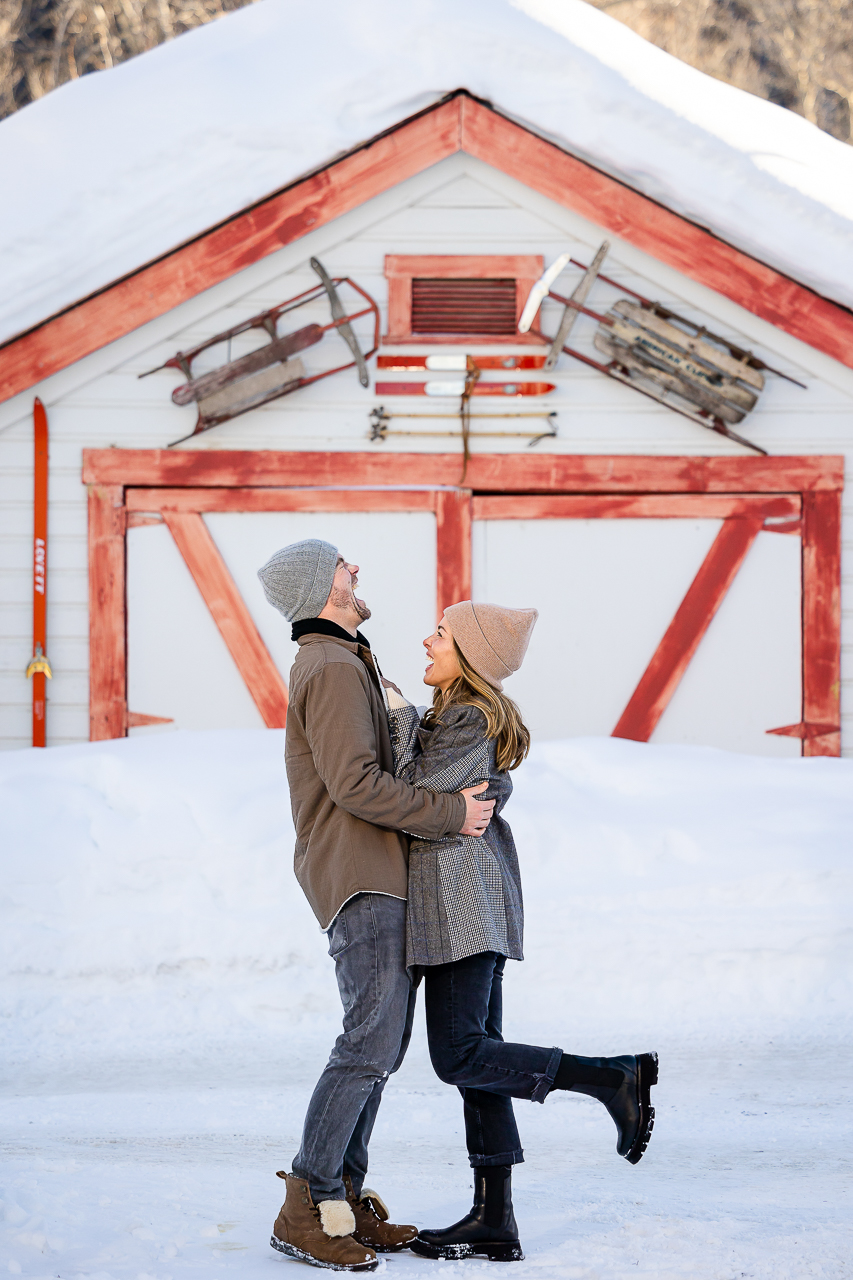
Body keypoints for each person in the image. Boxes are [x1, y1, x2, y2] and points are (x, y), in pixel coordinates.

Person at [384, 601, 658, 1263]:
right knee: (482, 1063)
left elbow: (410, 799)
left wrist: (395, 717)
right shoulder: (457, 718)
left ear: (470, 655)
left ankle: (610, 1078)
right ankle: (493, 1218)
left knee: (459, 1055)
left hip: (461, 905)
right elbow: (440, 797)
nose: (426, 638)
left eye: (441, 634)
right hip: (460, 901)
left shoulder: (467, 717)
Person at [256, 541, 496, 1273]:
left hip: (380, 872)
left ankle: (342, 1202)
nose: (353, 568)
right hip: (360, 876)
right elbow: (357, 786)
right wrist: (449, 812)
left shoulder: (344, 657)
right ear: (316, 588)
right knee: (367, 1043)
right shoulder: (328, 667)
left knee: (380, 1048)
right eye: (339, 566)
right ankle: (306, 1207)